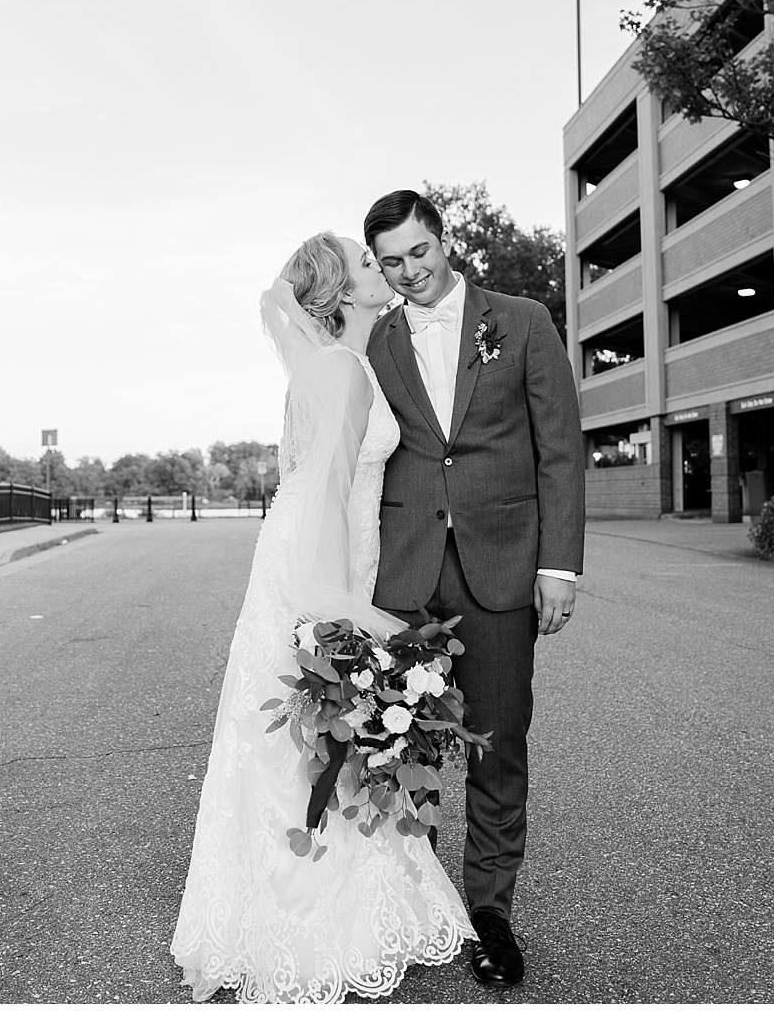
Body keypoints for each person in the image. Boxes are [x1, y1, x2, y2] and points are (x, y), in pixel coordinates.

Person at [170, 232, 475, 1003]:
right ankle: (305, 932)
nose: (387, 269)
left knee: (293, 742)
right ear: (344, 293)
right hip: (319, 560)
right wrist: (347, 609)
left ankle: (286, 914)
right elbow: (329, 494)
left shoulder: (340, 363)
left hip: (321, 547)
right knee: (308, 738)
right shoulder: (340, 370)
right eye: (370, 264)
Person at [363, 189, 587, 989]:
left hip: (502, 566)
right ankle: (423, 905)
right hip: (406, 573)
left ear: (444, 239)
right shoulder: (379, 339)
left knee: (497, 742)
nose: (409, 272)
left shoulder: (521, 319)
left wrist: (559, 565)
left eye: (418, 252)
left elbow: (560, 446)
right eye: (392, 262)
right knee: (404, 742)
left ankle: (491, 912)